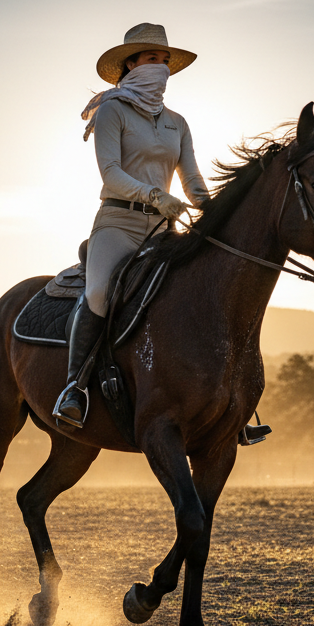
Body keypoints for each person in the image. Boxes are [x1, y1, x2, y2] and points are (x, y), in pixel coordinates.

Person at [54, 23, 210, 427]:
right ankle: (75, 387)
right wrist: (157, 195)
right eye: (150, 59)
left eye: (164, 61)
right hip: (118, 224)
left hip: (163, 231)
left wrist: (211, 207)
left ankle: (219, 399)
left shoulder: (178, 121)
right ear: (131, 64)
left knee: (202, 295)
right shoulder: (112, 110)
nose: (159, 68)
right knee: (101, 291)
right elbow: (111, 173)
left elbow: (191, 178)